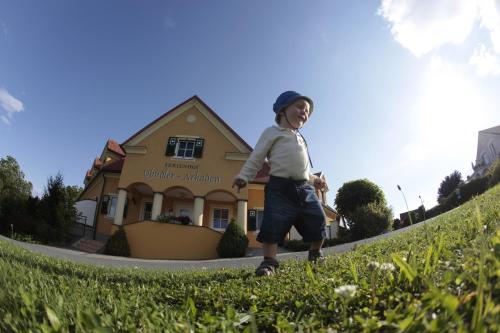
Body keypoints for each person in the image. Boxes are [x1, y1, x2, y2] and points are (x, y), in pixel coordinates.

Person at [233, 91, 328, 276]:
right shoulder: (272, 132)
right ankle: (269, 262)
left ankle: (315, 253)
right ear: (282, 110)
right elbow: (257, 157)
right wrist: (244, 176)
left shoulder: (301, 139)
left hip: (305, 188)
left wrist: (315, 179)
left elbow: (303, 170)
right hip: (279, 188)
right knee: (272, 224)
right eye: (300, 107)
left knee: (319, 219)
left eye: (307, 111)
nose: (304, 112)